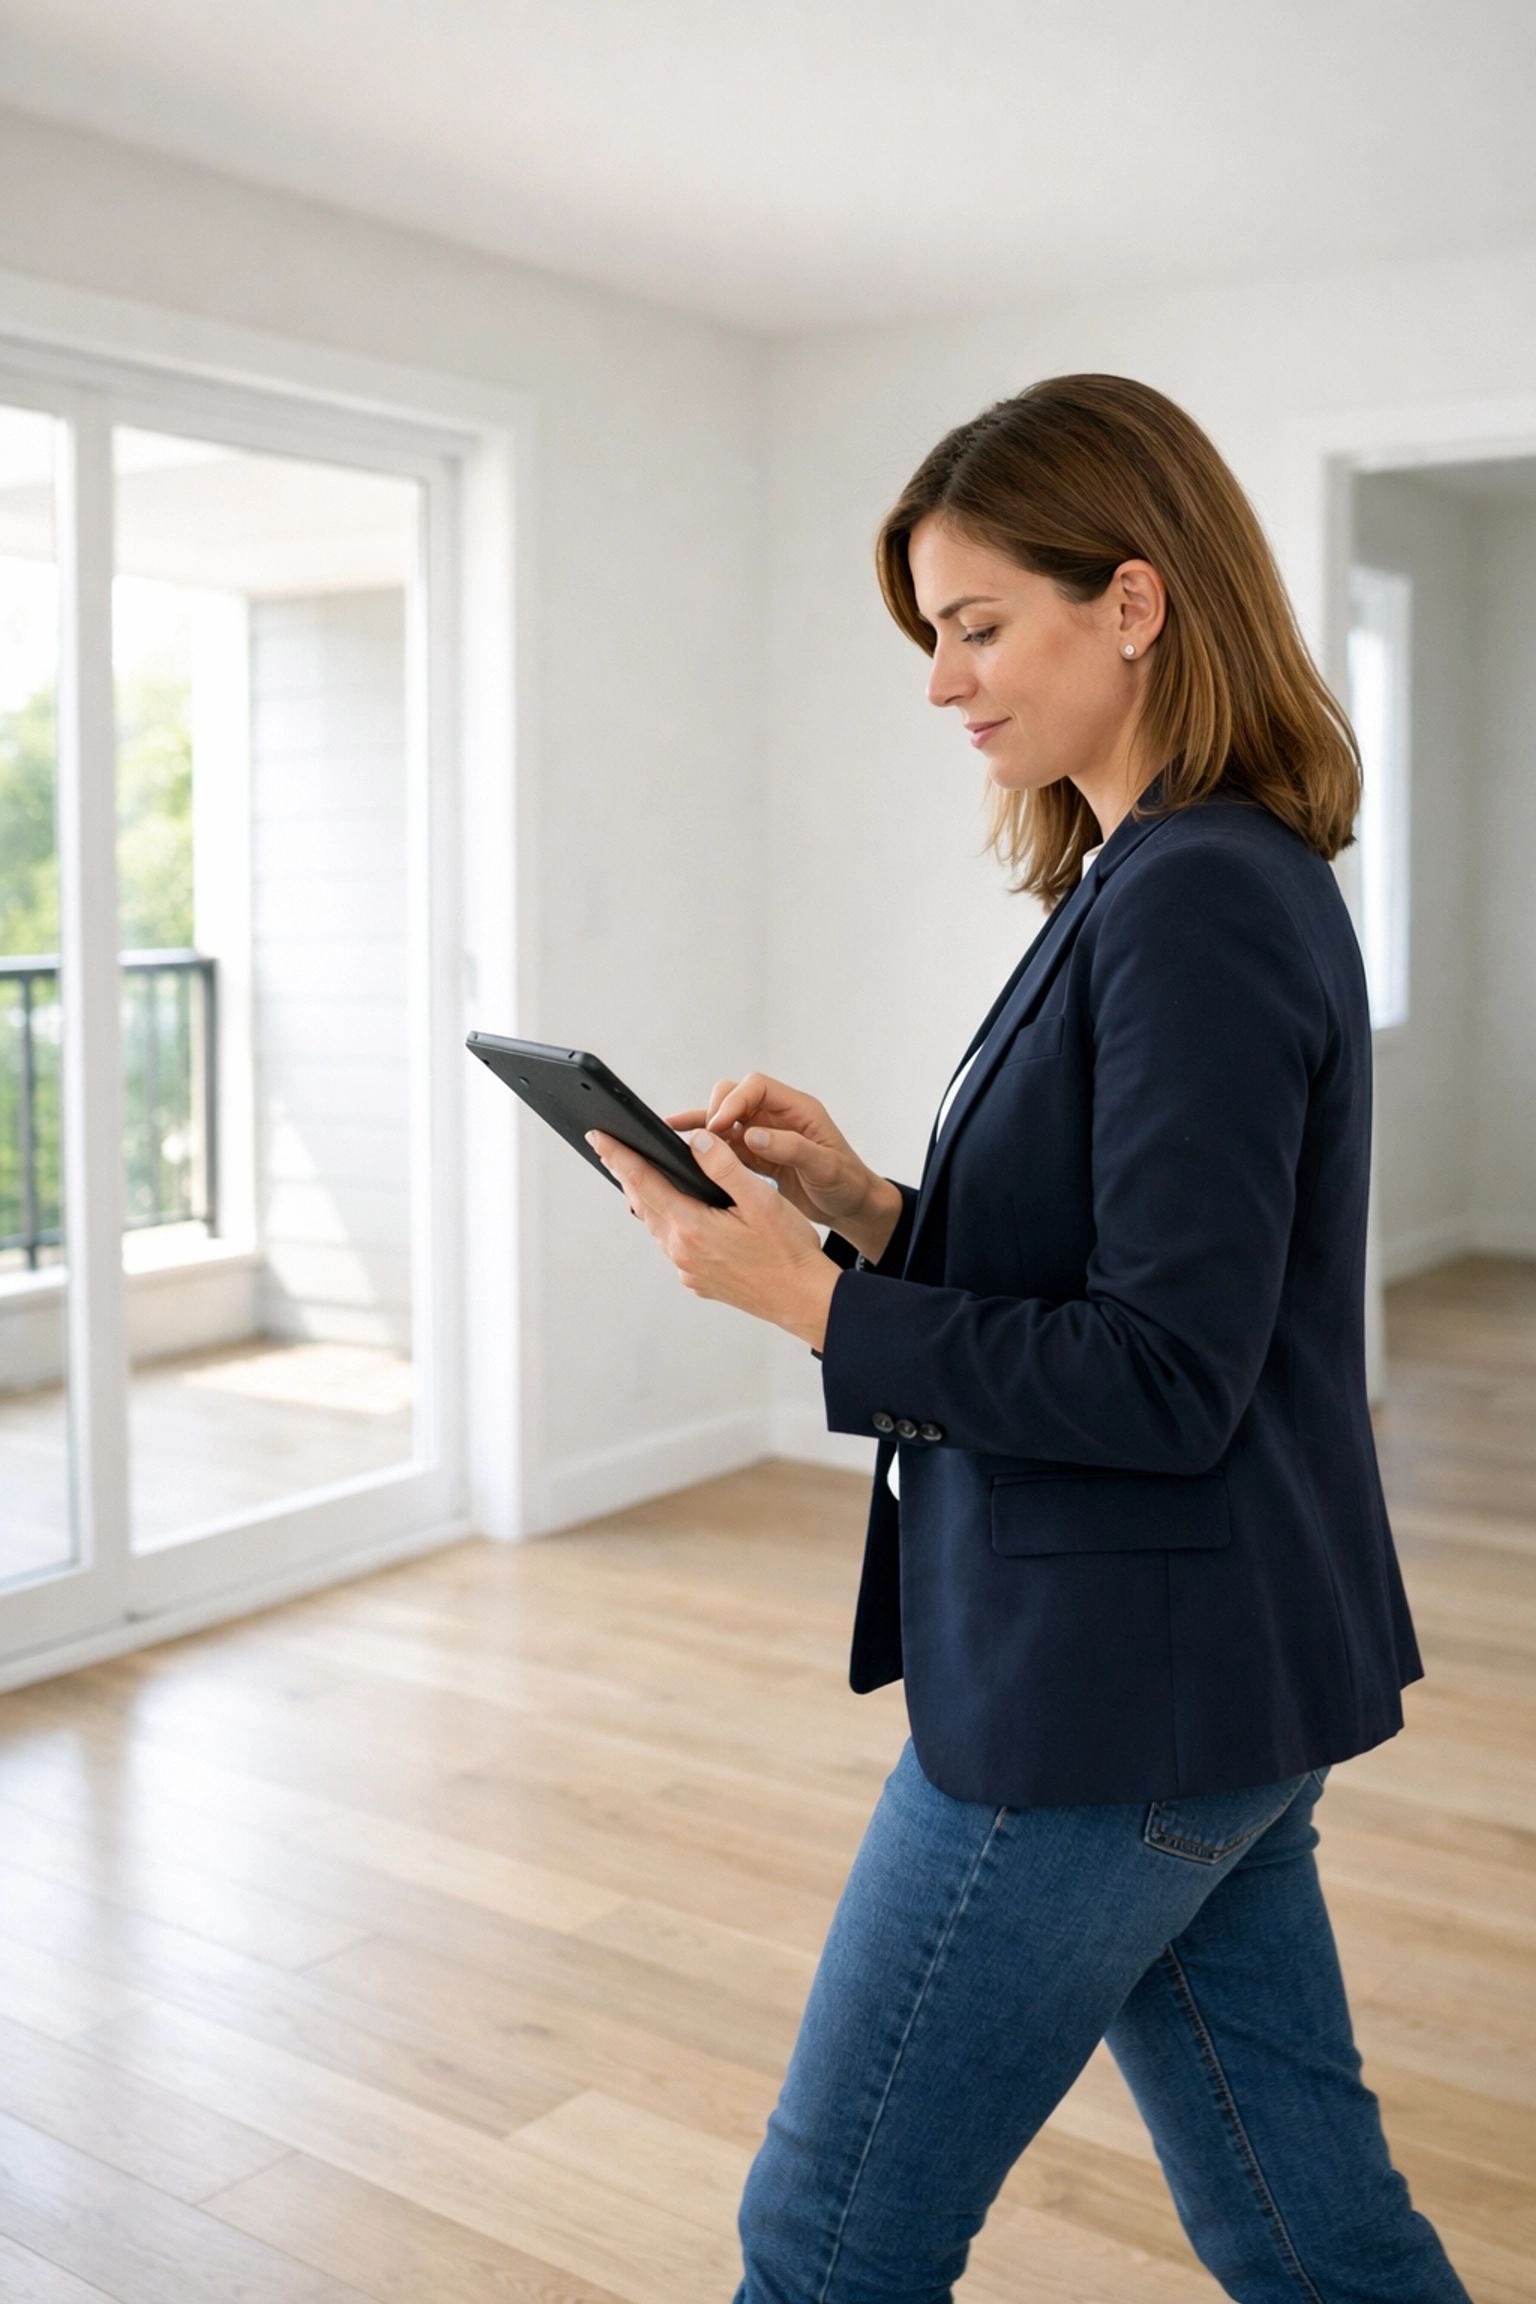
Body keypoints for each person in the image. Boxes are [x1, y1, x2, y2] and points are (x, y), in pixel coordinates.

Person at [589, 375, 1468, 2304]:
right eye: (936, 636)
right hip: (1203, 1687)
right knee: (1311, 2238)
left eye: (978, 626)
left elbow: (1163, 1378)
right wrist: (864, 1210)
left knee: (827, 2238)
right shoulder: (1153, 877)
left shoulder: (1198, 902)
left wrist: (807, 1306)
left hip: (1110, 1698)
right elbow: (1137, 1268)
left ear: (1134, 604)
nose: (942, 686)